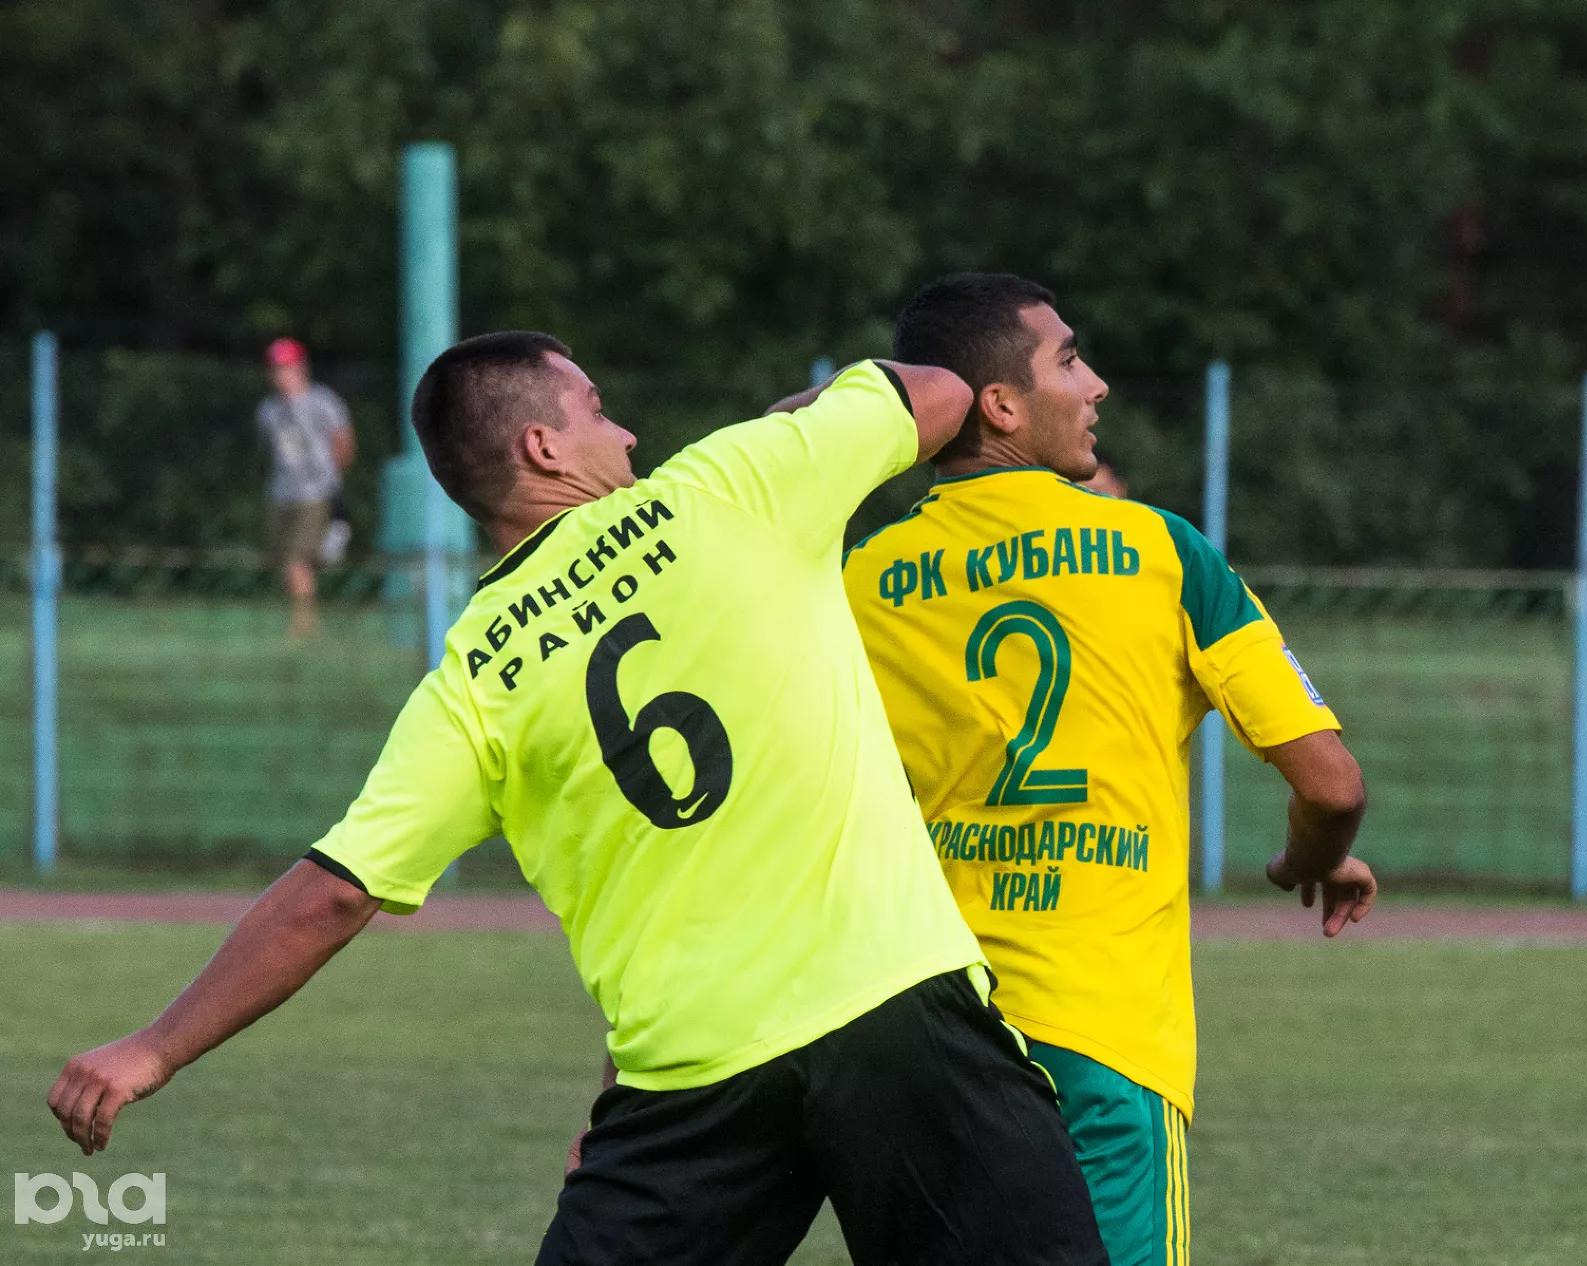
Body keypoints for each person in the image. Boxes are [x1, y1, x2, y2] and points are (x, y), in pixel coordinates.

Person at [49, 331, 1108, 1266]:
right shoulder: (727, 484)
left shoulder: (473, 679)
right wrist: (802, 418)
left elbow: (334, 892)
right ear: (543, 447)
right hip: (898, 1015)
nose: (629, 432)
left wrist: (152, 1049)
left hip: (694, 1084)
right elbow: (936, 391)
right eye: (598, 410)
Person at [841, 274, 1377, 1265]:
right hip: (1099, 1038)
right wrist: (1309, 858)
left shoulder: (861, 578)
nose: (1097, 386)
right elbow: (1332, 785)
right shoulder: (1162, 551)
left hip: (922, 1032)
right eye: (1070, 360)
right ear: (1001, 406)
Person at [257, 337, 355, 637]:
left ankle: (303, 624)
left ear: (301, 368)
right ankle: (304, 617)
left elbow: (343, 442)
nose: (280, 375)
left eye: (286, 368)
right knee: (286, 560)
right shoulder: (268, 410)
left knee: (298, 560)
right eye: (275, 369)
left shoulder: (321, 402)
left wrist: (331, 479)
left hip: (315, 492)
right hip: (282, 492)